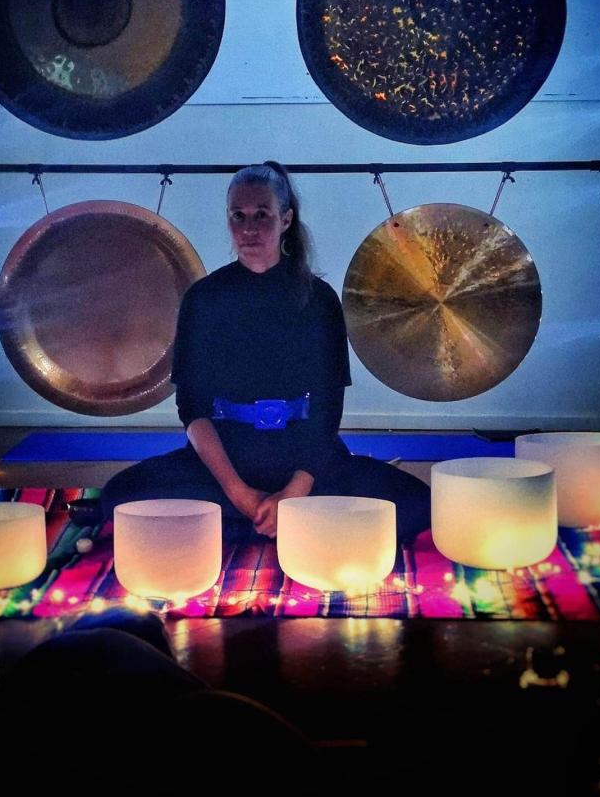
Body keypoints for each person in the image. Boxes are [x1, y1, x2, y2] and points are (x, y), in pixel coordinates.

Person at [101, 161, 430, 542]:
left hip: (303, 455)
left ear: (286, 219)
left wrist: (294, 492)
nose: (249, 228)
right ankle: (279, 521)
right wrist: (238, 493)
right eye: (238, 216)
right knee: (120, 498)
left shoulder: (318, 300)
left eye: (262, 215)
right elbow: (192, 408)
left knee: (415, 502)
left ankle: (253, 524)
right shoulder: (203, 299)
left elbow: (327, 409)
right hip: (227, 458)